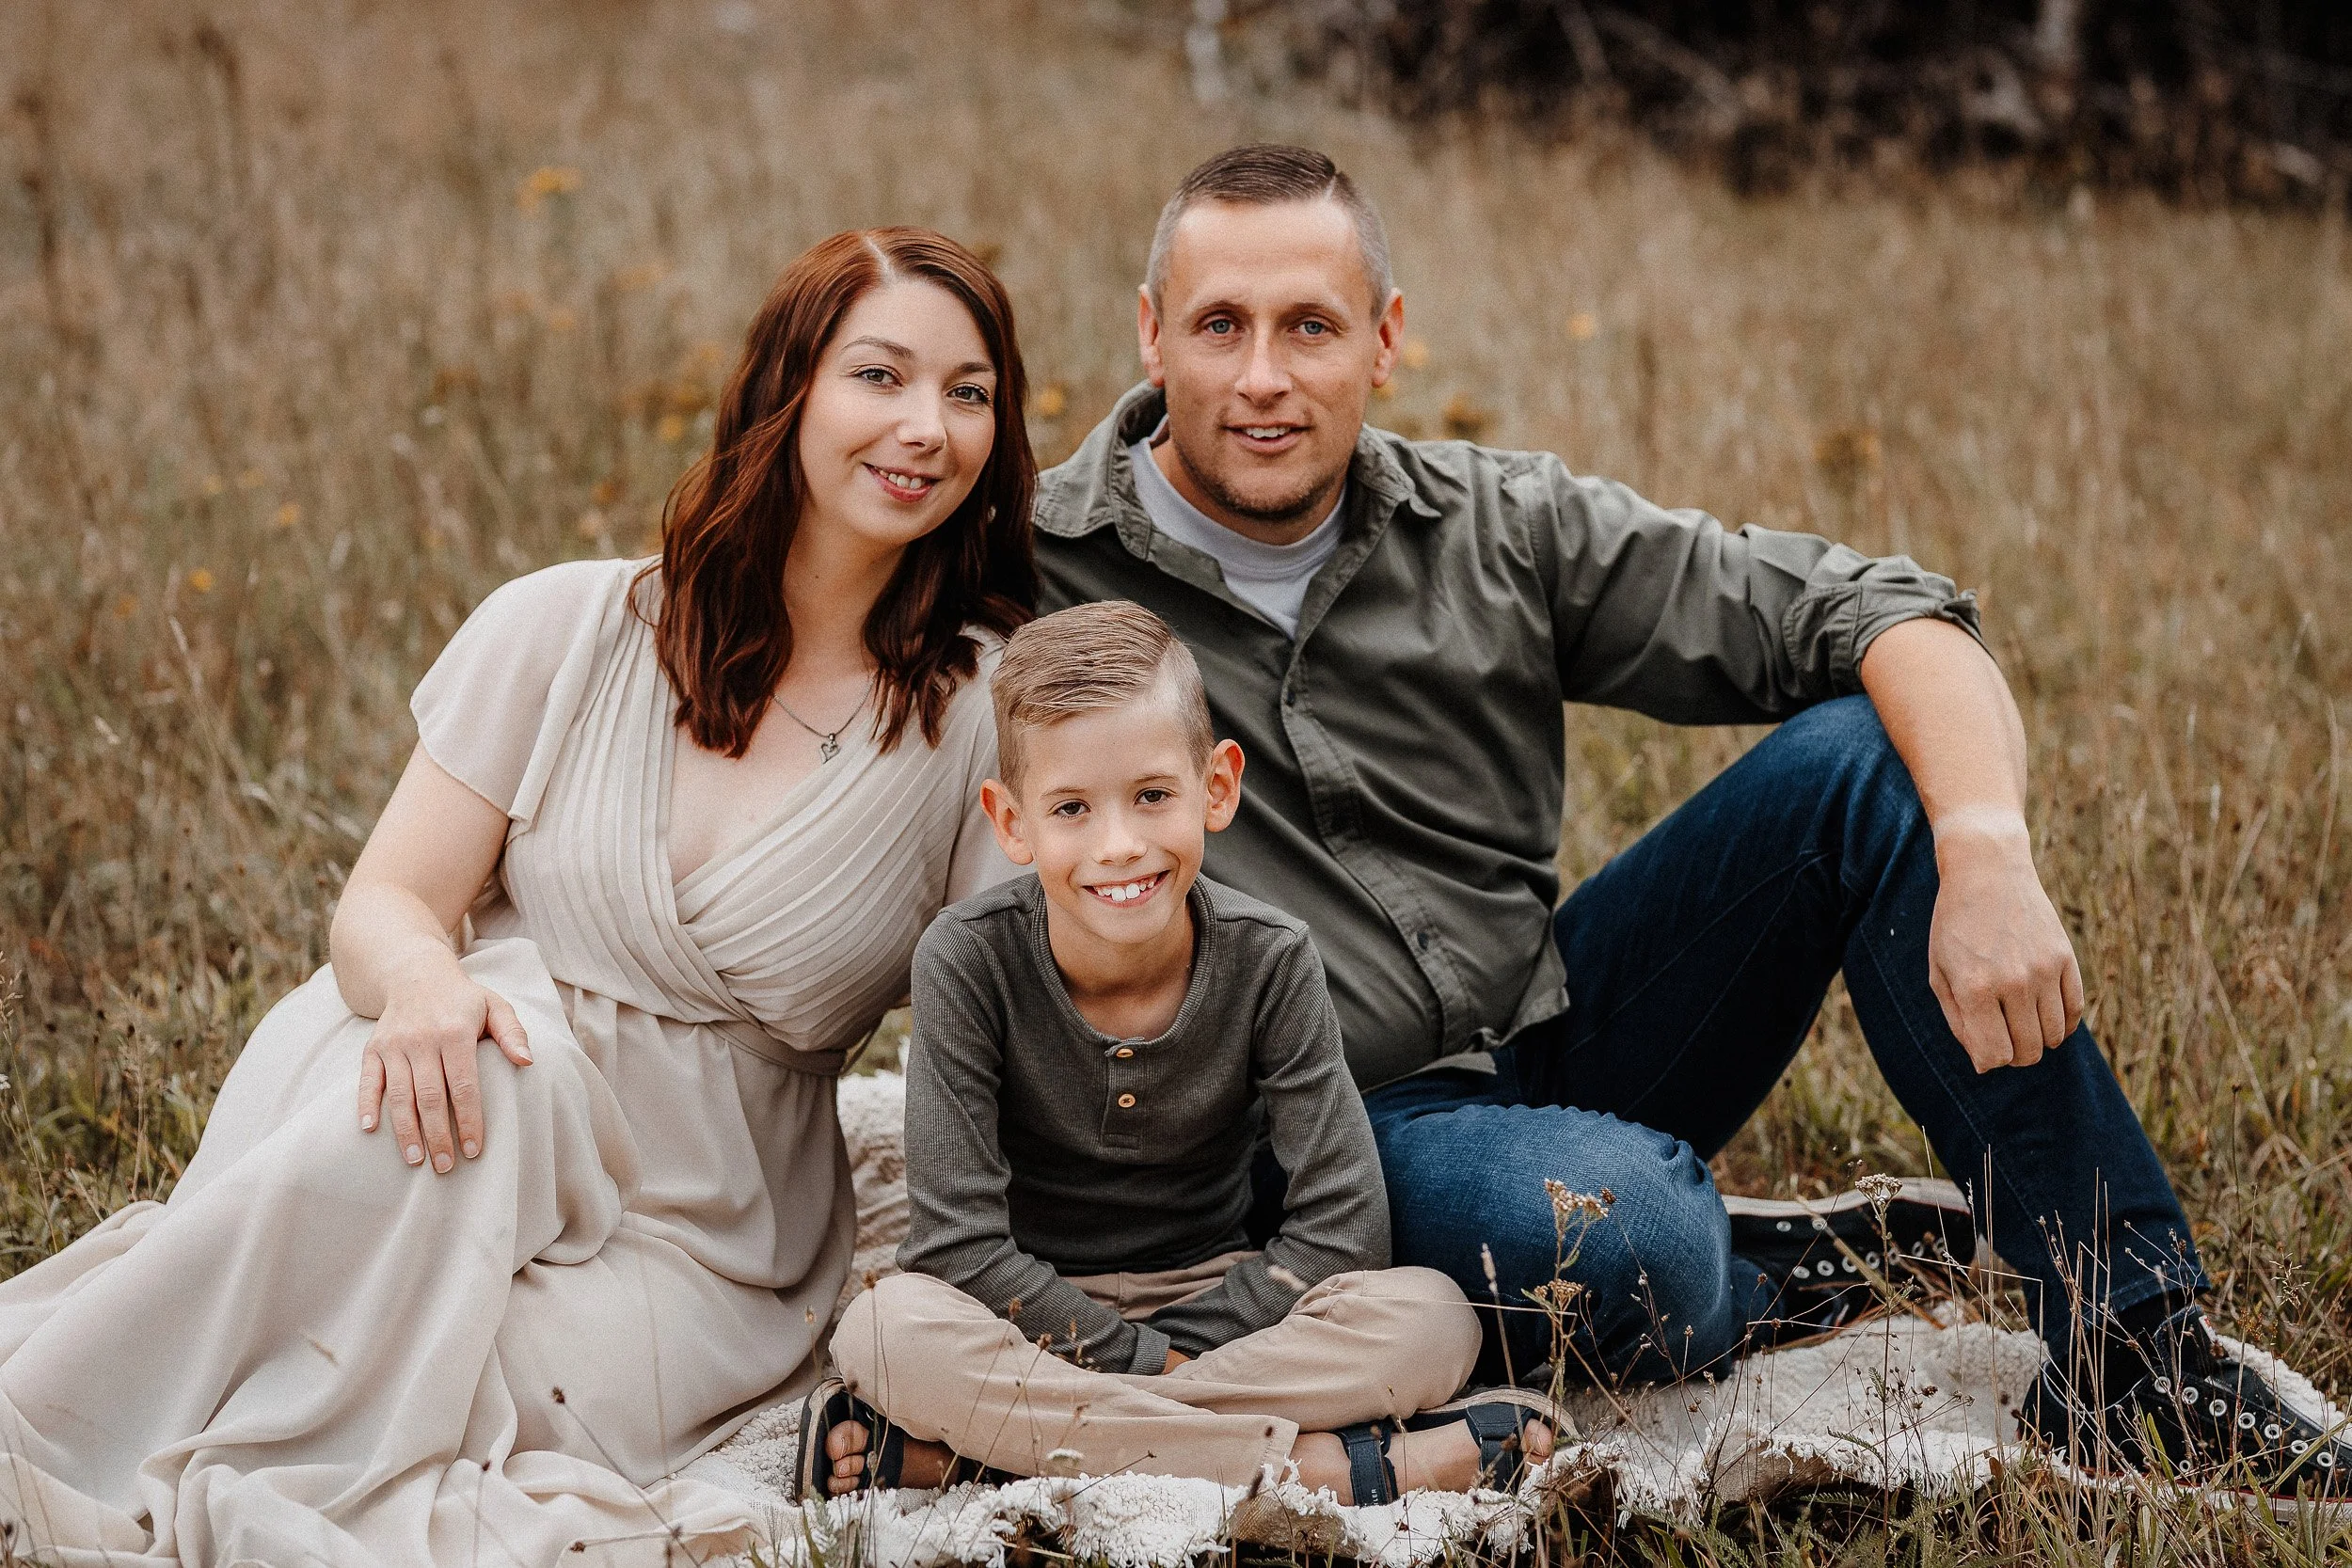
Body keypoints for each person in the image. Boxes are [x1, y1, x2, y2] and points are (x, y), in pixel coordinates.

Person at [1030, 143, 2351, 1505]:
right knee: (1634, 1235)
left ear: (1385, 338)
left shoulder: (1495, 524)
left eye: (1309, 325)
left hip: (1547, 1032)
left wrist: (1986, 850)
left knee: (1863, 760)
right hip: (1306, 1138)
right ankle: (1758, 1264)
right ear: (1151, 335)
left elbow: (1888, 612)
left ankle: (2134, 1351)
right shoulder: (1030, 569)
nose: (1262, 376)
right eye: (1220, 326)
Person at [0, 228, 1038, 1565]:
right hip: (441, 1076)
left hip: (703, 1217)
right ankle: (46, 1432)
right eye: (880, 375)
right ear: (786, 393)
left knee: (430, 1398)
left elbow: (1005, 1022)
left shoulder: (979, 713)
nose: (926, 426)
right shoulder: (568, 625)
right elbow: (385, 901)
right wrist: (425, 983)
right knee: (488, 1075)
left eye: (968, 391)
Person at [805, 601, 1561, 1505]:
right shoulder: (966, 959)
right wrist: (1136, 1354)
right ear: (1012, 821)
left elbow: (1344, 1226)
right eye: (1071, 808)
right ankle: (1335, 1467)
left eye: (1153, 796)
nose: (1119, 844)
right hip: (1022, 1312)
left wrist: (1168, 1356)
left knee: (1432, 1317)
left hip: (1229, 1302)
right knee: (887, 1330)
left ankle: (982, 1454)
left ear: (1217, 787)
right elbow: (960, 1247)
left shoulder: (1270, 958)